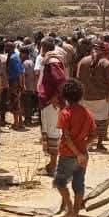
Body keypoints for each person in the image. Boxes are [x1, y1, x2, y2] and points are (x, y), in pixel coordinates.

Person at [50, 79, 95, 217]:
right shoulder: (87, 112)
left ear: (65, 96)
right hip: (83, 154)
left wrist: (77, 153)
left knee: (59, 182)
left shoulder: (65, 113)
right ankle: (75, 213)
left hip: (68, 154)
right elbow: (94, 134)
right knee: (79, 184)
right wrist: (83, 148)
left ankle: (69, 210)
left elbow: (67, 137)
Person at [76, 41, 109, 152]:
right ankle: (99, 143)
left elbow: (78, 78)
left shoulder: (83, 61)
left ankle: (87, 143)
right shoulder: (105, 63)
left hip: (86, 96)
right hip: (101, 97)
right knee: (101, 121)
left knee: (87, 121)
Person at [36, 39, 67, 175]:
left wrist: (55, 96)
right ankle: (52, 163)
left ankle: (54, 165)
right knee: (49, 132)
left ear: (42, 47)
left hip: (51, 103)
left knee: (53, 131)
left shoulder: (53, 62)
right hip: (47, 101)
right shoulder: (49, 60)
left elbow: (60, 80)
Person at [6, 41, 24, 129]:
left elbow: (19, 72)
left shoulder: (13, 58)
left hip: (14, 82)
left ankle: (16, 123)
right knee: (18, 101)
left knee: (15, 101)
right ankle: (20, 122)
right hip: (15, 81)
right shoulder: (16, 56)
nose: (5, 49)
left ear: (10, 48)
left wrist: (20, 84)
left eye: (6, 47)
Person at [21, 48, 39, 126]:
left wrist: (23, 85)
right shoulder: (31, 62)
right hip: (31, 86)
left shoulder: (25, 63)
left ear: (24, 54)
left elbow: (24, 75)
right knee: (29, 103)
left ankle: (27, 120)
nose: (20, 55)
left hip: (27, 86)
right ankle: (28, 119)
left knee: (26, 103)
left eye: (21, 54)